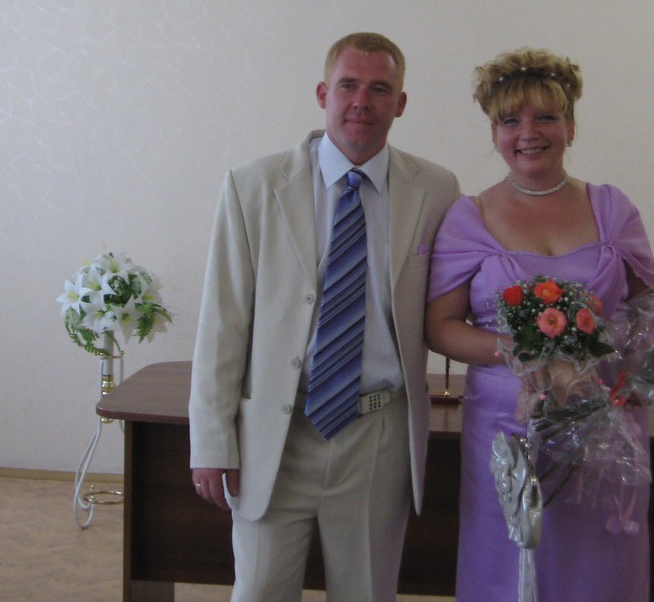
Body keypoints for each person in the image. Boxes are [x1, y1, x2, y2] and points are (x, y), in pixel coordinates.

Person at [189, 32, 459, 602]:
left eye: (379, 89)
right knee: (259, 590)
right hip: (276, 432)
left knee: (367, 592)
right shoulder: (254, 185)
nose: (362, 101)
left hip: (378, 437)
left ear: (400, 103)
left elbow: (453, 301)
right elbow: (221, 324)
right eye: (348, 85)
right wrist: (211, 442)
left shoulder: (436, 190)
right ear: (322, 93)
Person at [425, 48, 654, 602]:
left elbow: (651, 312)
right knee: (509, 562)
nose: (528, 133)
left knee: (598, 569)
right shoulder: (469, 217)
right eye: (511, 120)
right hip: (507, 426)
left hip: (602, 421)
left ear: (571, 127)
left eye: (546, 118)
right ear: (495, 133)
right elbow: (441, 327)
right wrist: (521, 351)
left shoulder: (612, 210)